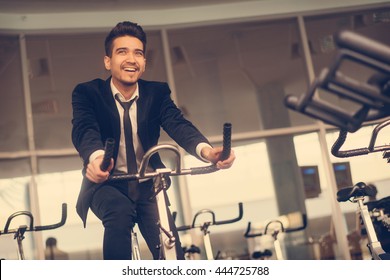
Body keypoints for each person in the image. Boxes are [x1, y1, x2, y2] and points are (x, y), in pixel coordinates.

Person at [71, 21, 235, 260]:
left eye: (138, 53)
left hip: (149, 184)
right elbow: (84, 129)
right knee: (119, 212)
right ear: (108, 61)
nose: (131, 59)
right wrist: (96, 158)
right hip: (107, 184)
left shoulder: (157, 93)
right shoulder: (87, 93)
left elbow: (177, 124)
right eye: (122, 52)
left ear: (144, 63)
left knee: (169, 245)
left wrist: (209, 153)